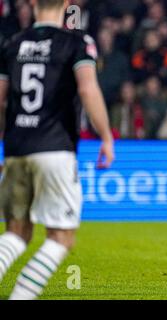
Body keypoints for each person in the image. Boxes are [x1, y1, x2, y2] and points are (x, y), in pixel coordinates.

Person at [0, 0, 114, 299]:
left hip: (15, 149)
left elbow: (0, 101)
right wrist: (106, 136)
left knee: (15, 233)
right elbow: (88, 89)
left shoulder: (12, 44)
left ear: (33, 3)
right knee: (61, 237)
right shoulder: (76, 42)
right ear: (66, 5)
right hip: (55, 147)